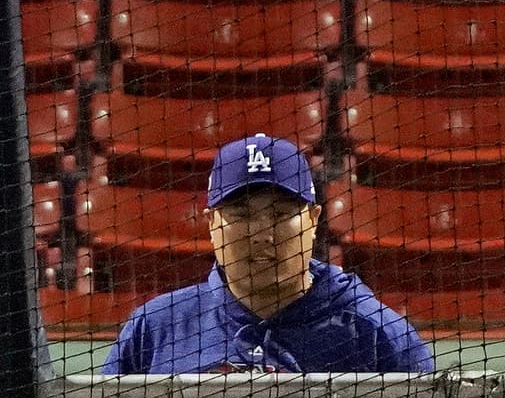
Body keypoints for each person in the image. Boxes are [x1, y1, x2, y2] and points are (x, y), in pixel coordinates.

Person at [102, 133, 433, 375]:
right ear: (211, 224)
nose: (262, 234)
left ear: (313, 220)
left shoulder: (378, 334)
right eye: (241, 214)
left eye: (280, 214)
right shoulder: (156, 328)